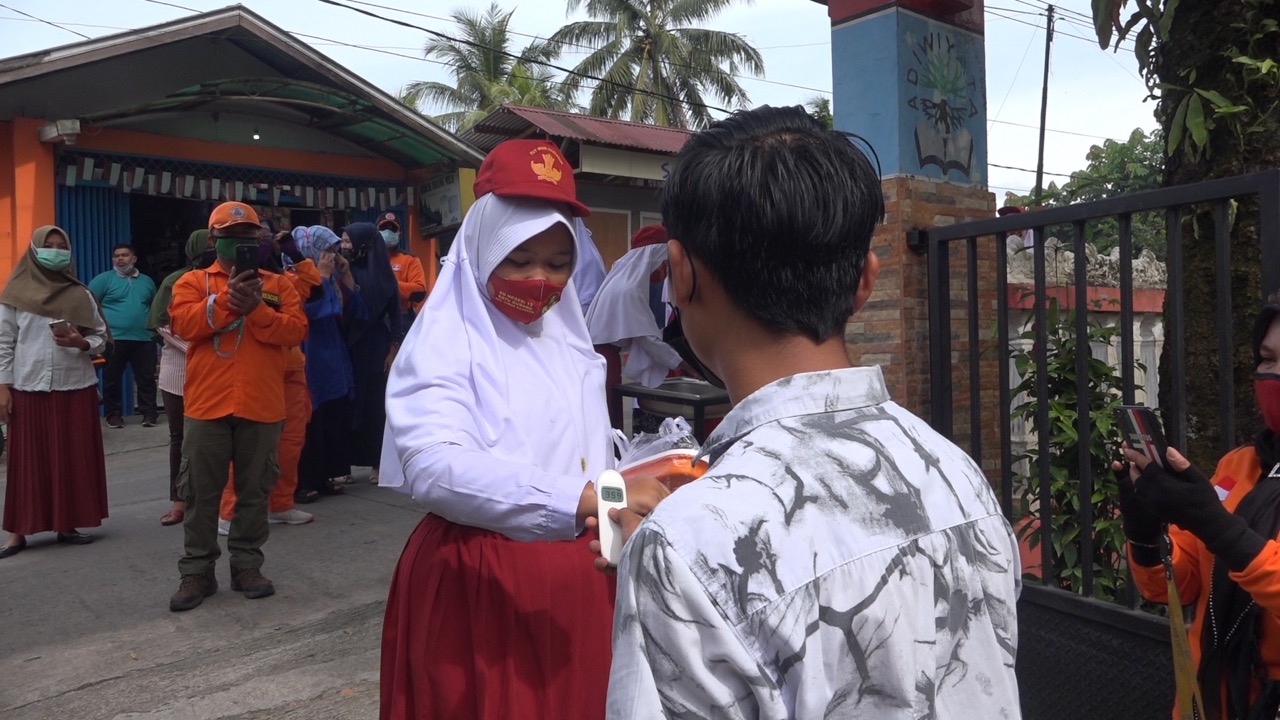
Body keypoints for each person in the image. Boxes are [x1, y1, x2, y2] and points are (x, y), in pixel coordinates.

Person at [602, 106, 1022, 717]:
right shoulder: (958, 477)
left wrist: (668, 553)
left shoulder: (686, 544)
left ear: (682, 274)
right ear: (866, 281)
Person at [376, 139, 669, 719]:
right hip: (483, 578)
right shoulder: (445, 343)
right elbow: (434, 466)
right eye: (519, 260)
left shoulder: (567, 337)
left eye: (558, 264)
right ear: (483, 253)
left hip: (584, 570)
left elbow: (584, 448)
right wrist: (587, 497)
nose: (540, 279)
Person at [1118, 300, 1280, 719]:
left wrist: (1218, 527)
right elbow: (1179, 585)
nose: (1274, 376)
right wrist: (1145, 532)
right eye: (1267, 359)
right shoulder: (1238, 466)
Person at [166, 201, 307, 612]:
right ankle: (197, 571)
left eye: (250, 236)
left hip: (262, 403)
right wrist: (227, 303)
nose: (242, 243)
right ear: (214, 240)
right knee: (200, 494)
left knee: (253, 490)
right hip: (207, 405)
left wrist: (257, 309)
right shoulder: (192, 282)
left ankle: (247, 566)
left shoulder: (278, 285)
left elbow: (296, 331)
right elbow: (183, 324)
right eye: (233, 236)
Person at [0, 226, 111, 558]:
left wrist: (82, 343)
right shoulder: (14, 293)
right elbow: (4, 344)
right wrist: (2, 387)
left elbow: (102, 338)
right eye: (48, 246)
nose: (56, 251)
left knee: (72, 458)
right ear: (34, 251)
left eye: (62, 246)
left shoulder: (82, 294)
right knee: (26, 461)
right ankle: (17, 533)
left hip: (74, 385)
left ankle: (67, 525)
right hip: (28, 386)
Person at [215, 228, 321, 532]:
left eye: (260, 245)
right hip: (255, 371)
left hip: (291, 370)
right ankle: (230, 512)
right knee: (244, 445)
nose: (257, 249)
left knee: (291, 442)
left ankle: (280, 504)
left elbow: (314, 287)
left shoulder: (282, 282)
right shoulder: (221, 283)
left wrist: (297, 254)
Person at [147, 229, 216, 527]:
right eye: (209, 245)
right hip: (179, 373)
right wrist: (198, 346)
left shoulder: (227, 278)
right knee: (180, 437)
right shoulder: (174, 281)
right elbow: (162, 324)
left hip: (216, 372)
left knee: (218, 438)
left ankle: (218, 498)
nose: (214, 249)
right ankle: (179, 501)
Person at [586, 225, 682, 430]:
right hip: (604, 358)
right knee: (607, 415)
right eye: (663, 264)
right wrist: (682, 363)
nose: (664, 271)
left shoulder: (622, 282)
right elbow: (648, 340)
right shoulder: (630, 291)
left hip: (601, 355)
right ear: (652, 260)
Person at [297, 225, 364, 503]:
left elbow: (356, 313)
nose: (333, 256)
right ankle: (304, 482)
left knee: (332, 418)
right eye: (328, 251)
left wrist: (345, 275)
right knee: (311, 421)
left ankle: (325, 476)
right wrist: (321, 276)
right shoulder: (297, 276)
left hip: (333, 355)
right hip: (311, 355)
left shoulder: (334, 279)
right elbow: (314, 310)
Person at [344, 221, 402, 486]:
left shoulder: (384, 275)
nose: (345, 246)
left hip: (376, 347)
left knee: (375, 406)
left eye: (348, 241)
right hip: (348, 345)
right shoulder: (345, 269)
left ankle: (378, 464)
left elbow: (395, 316)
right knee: (349, 404)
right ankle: (344, 463)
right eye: (344, 240)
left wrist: (393, 349)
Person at [90, 243, 159, 428]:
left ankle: (149, 414)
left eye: (124, 255)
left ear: (134, 259)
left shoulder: (147, 281)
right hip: (114, 339)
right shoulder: (103, 280)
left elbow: (154, 306)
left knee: (146, 377)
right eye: (116, 256)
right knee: (112, 378)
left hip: (144, 338)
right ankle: (113, 415)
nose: (120, 259)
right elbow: (90, 305)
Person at [377, 212, 427, 321]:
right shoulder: (368, 259)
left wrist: (390, 284)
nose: (388, 231)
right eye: (384, 227)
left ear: (399, 234)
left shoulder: (410, 259)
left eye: (392, 228)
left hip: (402, 316)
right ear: (377, 232)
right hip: (375, 317)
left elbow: (419, 292)